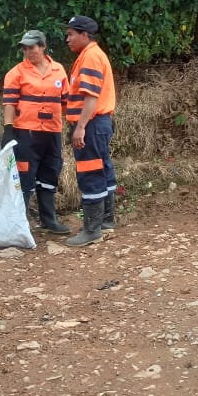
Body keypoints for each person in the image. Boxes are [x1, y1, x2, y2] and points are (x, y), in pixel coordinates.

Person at [2, 30, 71, 234]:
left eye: (32, 47)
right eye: (25, 48)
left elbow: (67, 102)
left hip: (52, 132)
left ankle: (49, 221)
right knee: (24, 177)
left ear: (43, 46)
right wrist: (8, 129)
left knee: (50, 173)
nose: (28, 51)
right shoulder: (16, 73)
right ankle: (18, 226)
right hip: (26, 132)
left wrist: (75, 124)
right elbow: (9, 103)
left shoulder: (59, 70)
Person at [64, 15, 117, 246]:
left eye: (71, 34)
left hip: (92, 124)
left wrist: (80, 127)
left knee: (90, 172)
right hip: (98, 124)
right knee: (102, 169)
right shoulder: (90, 55)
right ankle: (106, 221)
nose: (67, 39)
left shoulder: (91, 58)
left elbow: (91, 97)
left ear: (84, 35)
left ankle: (92, 230)